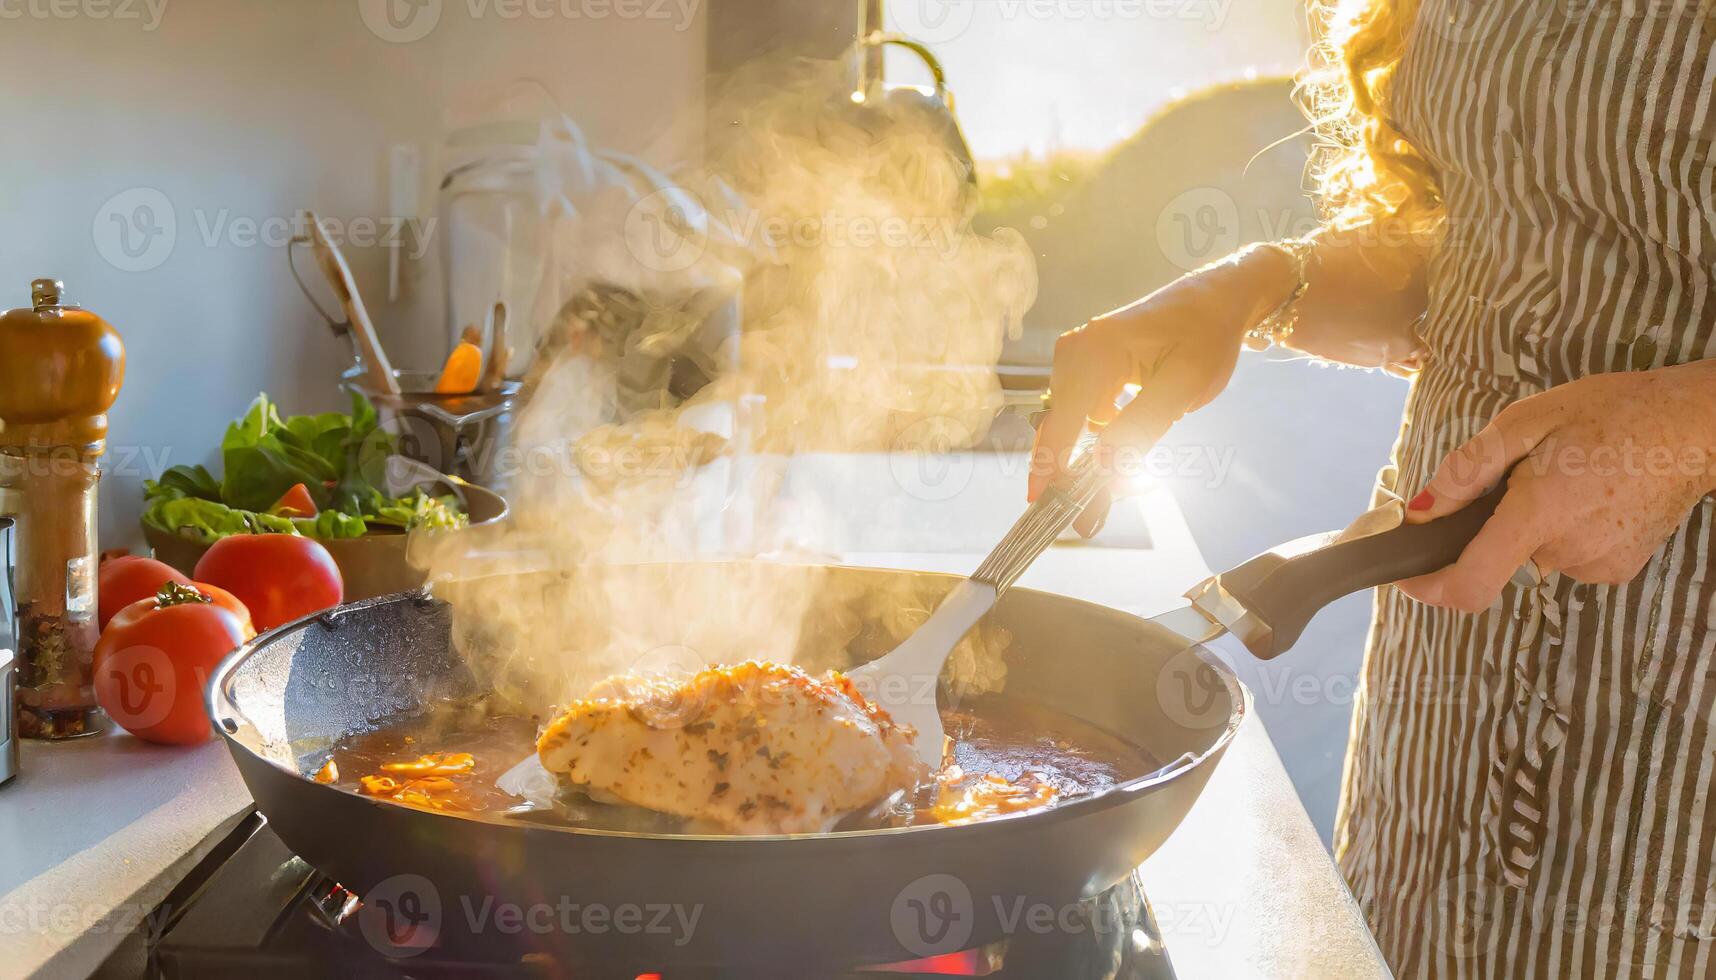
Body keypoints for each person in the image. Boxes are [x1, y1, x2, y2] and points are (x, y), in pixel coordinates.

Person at [1031, 1, 1716, 976]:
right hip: (1439, 718)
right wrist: (1256, 286)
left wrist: (1688, 430)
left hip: (1677, 764)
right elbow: (1511, 256)